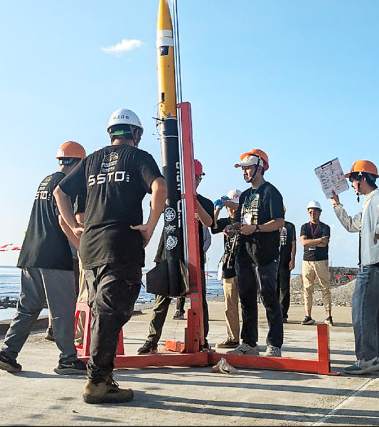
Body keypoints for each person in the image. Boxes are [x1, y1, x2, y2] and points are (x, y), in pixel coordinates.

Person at [54, 109, 166, 404]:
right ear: (137, 134)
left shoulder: (91, 160)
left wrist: (74, 226)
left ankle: (100, 375)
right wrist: (151, 226)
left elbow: (60, 192)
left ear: (110, 134)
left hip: (90, 248)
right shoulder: (139, 158)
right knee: (112, 311)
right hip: (121, 245)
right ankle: (98, 381)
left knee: (102, 311)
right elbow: (160, 186)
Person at [0, 141, 86, 376]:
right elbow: (65, 222)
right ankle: (67, 359)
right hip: (54, 254)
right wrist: (82, 249)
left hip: (30, 253)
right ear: (78, 162)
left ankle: (7, 354)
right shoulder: (67, 185)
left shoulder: (45, 180)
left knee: (27, 308)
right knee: (63, 308)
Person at [137, 159, 215, 354]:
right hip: (167, 254)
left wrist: (193, 201)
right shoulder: (171, 198)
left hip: (193, 259)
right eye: (192, 177)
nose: (195, 181)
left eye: (197, 178)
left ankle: (201, 339)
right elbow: (153, 203)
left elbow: (208, 222)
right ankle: (152, 340)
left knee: (199, 300)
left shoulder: (204, 202)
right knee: (161, 300)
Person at [331, 160, 379, 375]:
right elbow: (353, 225)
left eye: (353, 179)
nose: (351, 184)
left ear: (362, 178)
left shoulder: (378, 197)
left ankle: (367, 358)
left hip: (373, 263)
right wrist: (337, 205)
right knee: (378, 313)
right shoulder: (368, 202)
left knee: (360, 309)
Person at [228, 149, 285, 357]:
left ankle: (274, 344)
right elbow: (242, 221)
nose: (244, 172)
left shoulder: (271, 192)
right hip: (245, 253)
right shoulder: (244, 195)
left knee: (269, 299)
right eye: (243, 168)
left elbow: (279, 221)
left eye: (248, 167)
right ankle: (249, 342)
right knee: (247, 299)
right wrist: (233, 228)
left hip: (265, 254)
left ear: (260, 168)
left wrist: (258, 228)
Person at [211, 189, 242, 349]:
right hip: (229, 266)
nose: (232, 209)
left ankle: (250, 339)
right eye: (230, 206)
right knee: (230, 305)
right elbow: (213, 225)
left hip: (244, 266)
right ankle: (233, 337)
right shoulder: (224, 221)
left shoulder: (245, 219)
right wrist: (217, 208)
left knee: (247, 304)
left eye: (234, 206)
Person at [300, 200, 333, 326]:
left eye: (314, 212)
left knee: (325, 287)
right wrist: (318, 241)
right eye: (310, 212)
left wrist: (310, 241)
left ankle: (328, 316)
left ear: (320, 213)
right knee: (307, 288)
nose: (312, 214)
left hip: (321, 260)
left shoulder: (325, 227)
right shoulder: (305, 227)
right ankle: (308, 316)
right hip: (307, 260)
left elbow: (325, 243)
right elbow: (304, 242)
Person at [277, 209, 297, 323]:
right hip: (273, 261)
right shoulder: (272, 225)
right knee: (274, 287)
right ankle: (275, 311)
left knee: (284, 288)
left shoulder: (290, 226)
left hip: (285, 261)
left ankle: (284, 313)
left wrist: (292, 259)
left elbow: (293, 243)